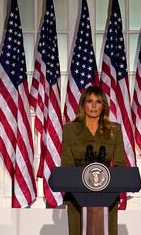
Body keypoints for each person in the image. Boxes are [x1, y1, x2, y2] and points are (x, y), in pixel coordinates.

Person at [60, 85, 127, 235]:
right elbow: (67, 164)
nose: (94, 106)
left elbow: (120, 164)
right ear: (83, 104)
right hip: (77, 196)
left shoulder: (114, 130)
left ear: (103, 106)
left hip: (107, 196)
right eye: (90, 101)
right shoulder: (70, 130)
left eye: (98, 102)